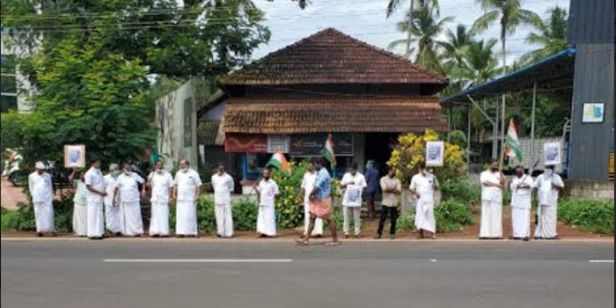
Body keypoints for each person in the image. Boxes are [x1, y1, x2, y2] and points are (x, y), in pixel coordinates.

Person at [296, 158, 340, 246]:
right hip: (316, 200)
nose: (314, 166)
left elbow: (317, 187)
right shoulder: (320, 172)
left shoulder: (323, 173)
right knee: (312, 218)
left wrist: (310, 194)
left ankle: (335, 240)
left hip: (323, 200)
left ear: (319, 164)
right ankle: (306, 239)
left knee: (329, 219)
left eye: (315, 164)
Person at [114, 162, 145, 237]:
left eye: (129, 168)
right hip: (125, 200)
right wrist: (114, 198)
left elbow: (143, 181)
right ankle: (126, 233)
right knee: (126, 217)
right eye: (126, 168)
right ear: (123, 169)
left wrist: (143, 190)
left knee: (136, 216)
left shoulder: (135, 175)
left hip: (134, 199)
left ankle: (137, 232)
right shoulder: (120, 177)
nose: (128, 169)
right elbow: (116, 188)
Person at [534, 165, 565, 240]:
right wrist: (537, 197)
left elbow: (562, 186)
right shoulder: (540, 177)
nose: (548, 170)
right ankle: (539, 234)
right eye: (547, 168)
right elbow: (535, 186)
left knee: (552, 219)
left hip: (552, 201)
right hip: (542, 201)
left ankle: (551, 234)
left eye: (550, 168)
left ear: (553, 169)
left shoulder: (556, 177)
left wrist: (555, 185)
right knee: (541, 218)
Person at [410, 163, 440, 239]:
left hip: (429, 200)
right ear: (421, 169)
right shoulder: (415, 177)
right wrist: (415, 192)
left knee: (430, 216)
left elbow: (437, 187)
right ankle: (420, 234)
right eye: (425, 169)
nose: (427, 171)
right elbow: (411, 188)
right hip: (420, 200)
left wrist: (435, 186)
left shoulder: (432, 176)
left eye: (427, 169)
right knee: (420, 216)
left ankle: (433, 233)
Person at [173, 160, 202, 238]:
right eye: (180, 164)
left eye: (183, 164)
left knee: (191, 215)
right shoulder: (178, 173)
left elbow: (198, 185)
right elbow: (175, 185)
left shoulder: (194, 173)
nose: (182, 166)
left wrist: (197, 195)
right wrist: (174, 194)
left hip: (190, 198)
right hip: (181, 198)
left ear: (187, 165)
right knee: (180, 216)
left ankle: (193, 232)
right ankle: (180, 232)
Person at [145, 160, 174, 238]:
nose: (159, 166)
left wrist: (170, 197)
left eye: (160, 165)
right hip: (155, 198)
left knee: (163, 215)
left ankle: (164, 232)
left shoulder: (168, 175)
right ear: (155, 166)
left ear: (162, 166)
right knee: (155, 216)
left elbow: (171, 187)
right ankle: (155, 232)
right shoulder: (152, 174)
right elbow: (149, 187)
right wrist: (148, 182)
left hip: (164, 198)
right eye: (157, 165)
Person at [480, 159, 505, 240]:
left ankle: (496, 234)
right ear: (490, 165)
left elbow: (502, 183)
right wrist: (496, 185)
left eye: (497, 165)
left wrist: (501, 173)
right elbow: (485, 182)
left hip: (497, 198)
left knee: (496, 216)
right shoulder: (484, 173)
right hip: (487, 198)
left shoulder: (499, 174)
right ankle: (485, 234)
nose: (495, 167)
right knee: (486, 216)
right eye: (494, 165)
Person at [28, 162, 56, 237]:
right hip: (37, 198)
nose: (41, 171)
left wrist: (51, 196)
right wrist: (32, 195)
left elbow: (50, 186)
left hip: (47, 197)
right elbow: (31, 187)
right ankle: (39, 230)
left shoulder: (47, 176)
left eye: (42, 170)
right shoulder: (31, 176)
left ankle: (51, 230)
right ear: (36, 168)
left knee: (49, 213)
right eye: (40, 169)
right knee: (38, 214)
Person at [341, 162, 367, 239]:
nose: (350, 170)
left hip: (356, 200)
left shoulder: (361, 176)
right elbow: (341, 185)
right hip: (347, 200)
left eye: (352, 169)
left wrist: (359, 193)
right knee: (346, 217)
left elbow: (364, 187)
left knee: (357, 217)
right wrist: (348, 184)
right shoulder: (346, 175)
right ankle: (346, 232)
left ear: (356, 169)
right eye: (350, 169)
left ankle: (357, 232)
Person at [298, 160, 323, 238]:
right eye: (308, 165)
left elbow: (320, 186)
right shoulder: (306, 175)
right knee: (307, 215)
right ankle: (307, 232)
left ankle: (318, 232)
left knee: (317, 215)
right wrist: (299, 196)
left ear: (314, 166)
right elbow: (303, 186)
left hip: (316, 198)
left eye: (310, 165)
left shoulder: (318, 175)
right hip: (307, 198)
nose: (309, 167)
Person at [375, 167, 402, 240]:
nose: (394, 172)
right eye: (392, 171)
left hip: (394, 202)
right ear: (389, 171)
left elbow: (399, 191)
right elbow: (384, 189)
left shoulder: (397, 180)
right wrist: (394, 189)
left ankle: (392, 233)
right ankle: (379, 233)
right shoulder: (383, 179)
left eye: (395, 171)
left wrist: (390, 188)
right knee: (382, 219)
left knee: (393, 220)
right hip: (386, 202)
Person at [510, 165, 535, 241]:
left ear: (523, 170)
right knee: (516, 219)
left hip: (525, 203)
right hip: (516, 202)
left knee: (525, 220)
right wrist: (517, 185)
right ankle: (516, 235)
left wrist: (522, 186)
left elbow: (531, 186)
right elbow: (512, 187)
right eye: (517, 171)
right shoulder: (514, 179)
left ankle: (525, 235)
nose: (518, 172)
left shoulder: (528, 178)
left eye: (520, 171)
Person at [84, 159, 107, 240]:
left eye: (100, 162)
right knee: (92, 216)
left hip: (99, 198)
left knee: (99, 215)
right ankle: (92, 233)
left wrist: (103, 192)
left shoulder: (99, 172)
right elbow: (88, 186)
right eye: (98, 163)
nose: (99, 164)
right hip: (93, 198)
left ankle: (99, 232)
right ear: (92, 163)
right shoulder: (89, 173)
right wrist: (100, 192)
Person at [254, 168, 279, 238]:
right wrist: (255, 188)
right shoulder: (261, 182)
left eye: (266, 173)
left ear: (269, 174)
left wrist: (275, 200)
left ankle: (271, 233)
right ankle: (263, 232)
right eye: (264, 173)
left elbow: (276, 193)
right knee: (262, 219)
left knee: (269, 219)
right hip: (262, 203)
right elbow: (259, 193)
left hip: (270, 204)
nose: (265, 175)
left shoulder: (273, 183)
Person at [212, 163, 235, 238]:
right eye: (219, 169)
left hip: (226, 199)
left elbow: (231, 189)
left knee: (227, 216)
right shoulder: (213, 177)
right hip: (217, 199)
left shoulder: (228, 177)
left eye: (222, 169)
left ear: (225, 169)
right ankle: (220, 232)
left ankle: (229, 233)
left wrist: (228, 197)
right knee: (219, 216)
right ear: (217, 169)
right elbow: (214, 187)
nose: (220, 170)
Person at [103, 164, 122, 236]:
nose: (116, 171)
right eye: (114, 169)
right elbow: (103, 188)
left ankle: (118, 230)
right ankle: (110, 230)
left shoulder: (120, 177)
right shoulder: (105, 178)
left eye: (117, 169)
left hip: (119, 199)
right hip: (108, 199)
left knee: (118, 215)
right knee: (109, 216)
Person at [71, 170, 88, 237]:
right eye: (81, 175)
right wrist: (74, 171)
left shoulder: (89, 182)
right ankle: (79, 232)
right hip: (78, 202)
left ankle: (85, 232)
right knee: (78, 218)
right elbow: (70, 179)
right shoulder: (77, 182)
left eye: (83, 174)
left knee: (86, 218)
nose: (82, 176)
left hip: (87, 202)